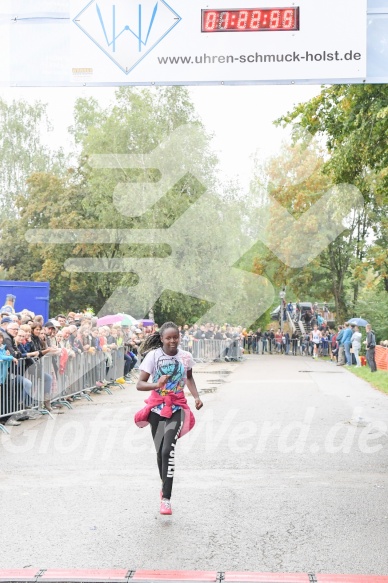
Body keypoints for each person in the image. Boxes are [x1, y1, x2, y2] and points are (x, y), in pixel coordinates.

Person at [135, 322, 203, 516]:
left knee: (167, 450)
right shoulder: (153, 356)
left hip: (177, 406)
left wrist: (196, 397)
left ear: (179, 337)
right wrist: (157, 384)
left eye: (176, 337)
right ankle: (164, 486)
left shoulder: (186, 357)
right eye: (168, 338)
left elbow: (189, 378)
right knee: (159, 452)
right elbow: (140, 384)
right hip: (157, 408)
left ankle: (166, 498)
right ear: (162, 339)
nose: (172, 341)